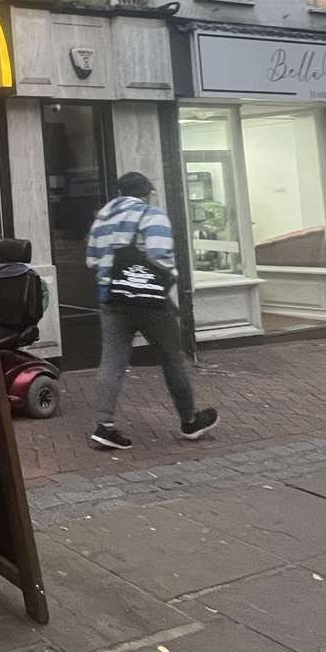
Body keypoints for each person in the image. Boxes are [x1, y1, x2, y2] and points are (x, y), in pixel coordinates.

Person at [85, 171, 218, 450]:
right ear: (146, 192)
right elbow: (161, 257)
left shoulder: (102, 219)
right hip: (149, 302)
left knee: (112, 361)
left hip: (111, 299)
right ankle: (190, 421)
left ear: (120, 192)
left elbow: (92, 260)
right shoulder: (152, 215)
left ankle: (104, 425)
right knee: (172, 358)